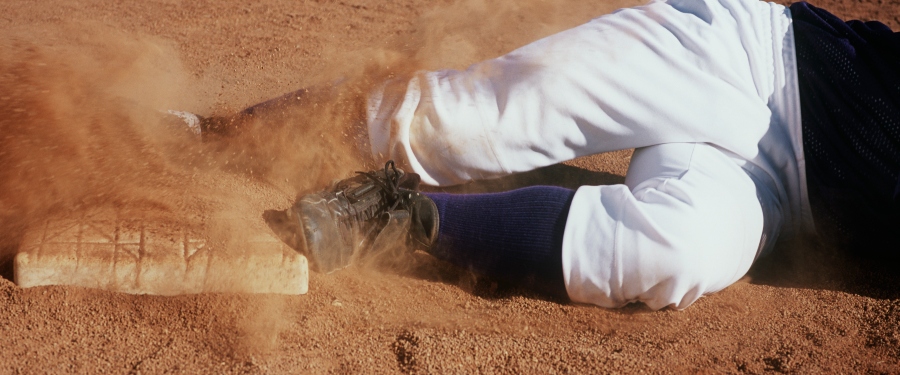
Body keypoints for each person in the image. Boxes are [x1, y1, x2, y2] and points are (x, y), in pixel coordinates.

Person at [191, 0, 900, 310]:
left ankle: (398, 216)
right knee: (464, 125)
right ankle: (217, 134)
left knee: (670, 257)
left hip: (766, 198)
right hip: (751, 64)